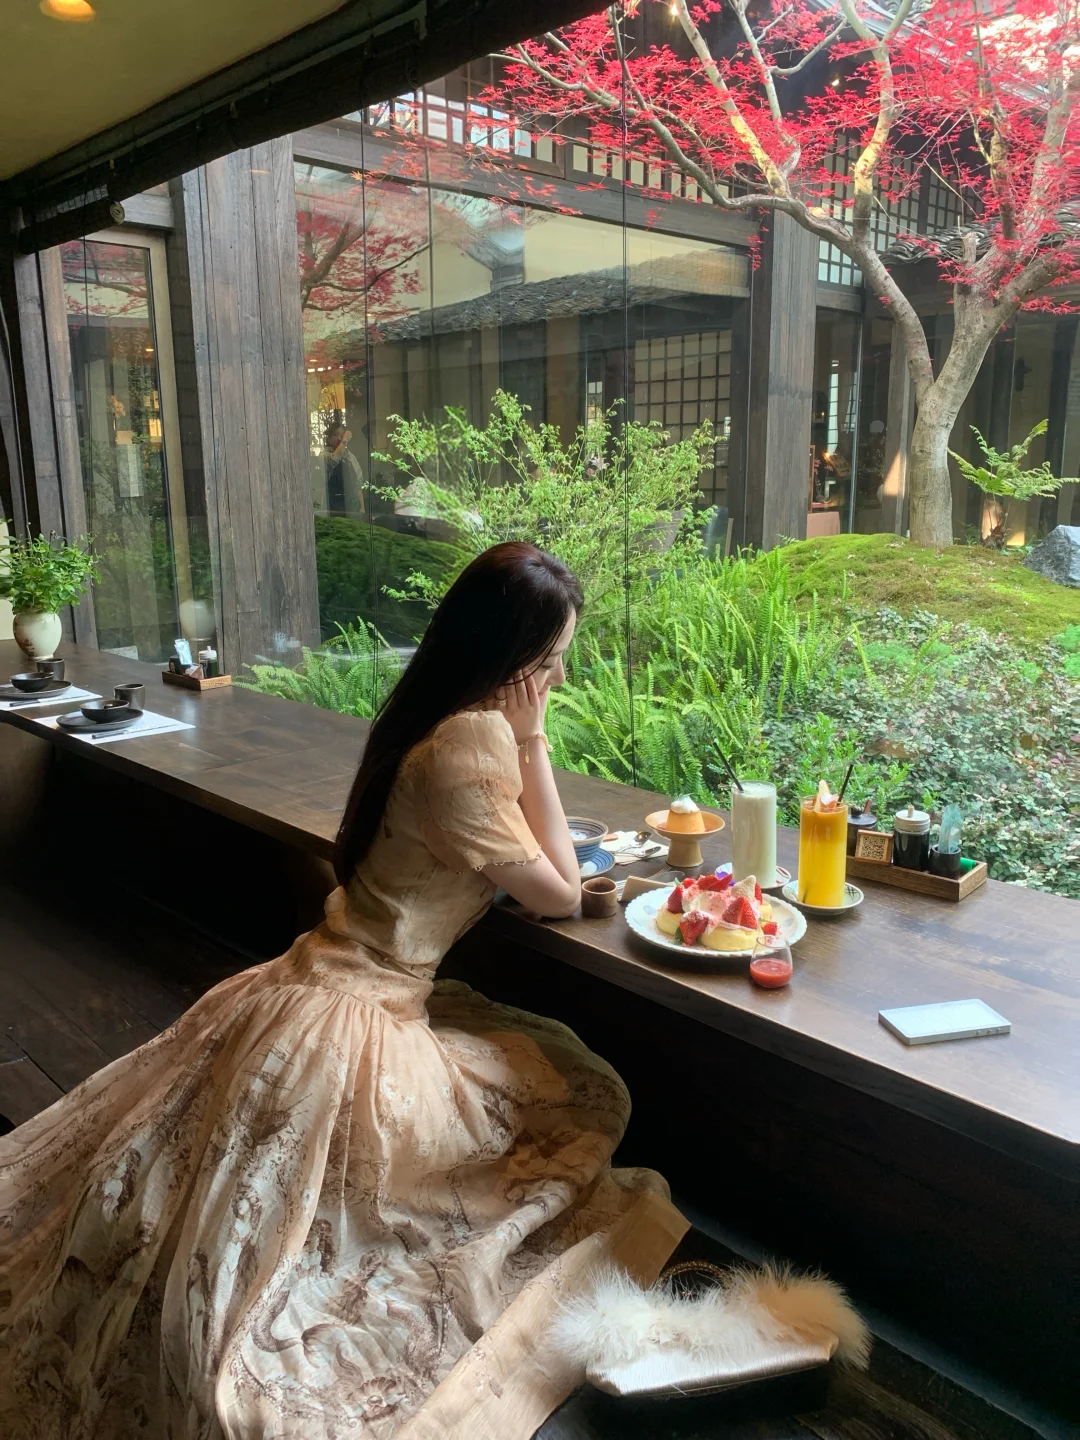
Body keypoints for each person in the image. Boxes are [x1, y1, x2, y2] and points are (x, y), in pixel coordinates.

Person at [0, 543, 683, 1440]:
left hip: (305, 981)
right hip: (362, 1019)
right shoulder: (477, 741)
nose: (557, 678)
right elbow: (559, 892)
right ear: (511, 659)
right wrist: (536, 737)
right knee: (582, 1098)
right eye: (550, 661)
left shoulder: (427, 718)